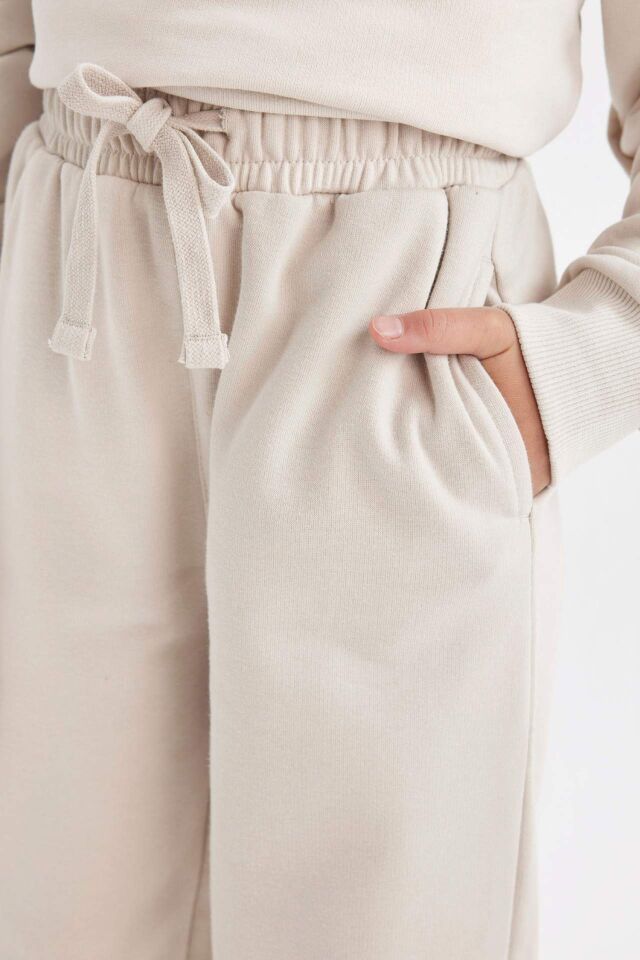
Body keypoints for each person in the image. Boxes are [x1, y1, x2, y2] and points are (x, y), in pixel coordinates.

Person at [0, 2, 637, 958]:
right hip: (81, 277)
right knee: (64, 908)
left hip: (396, 313)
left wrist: (595, 353)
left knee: (374, 926)